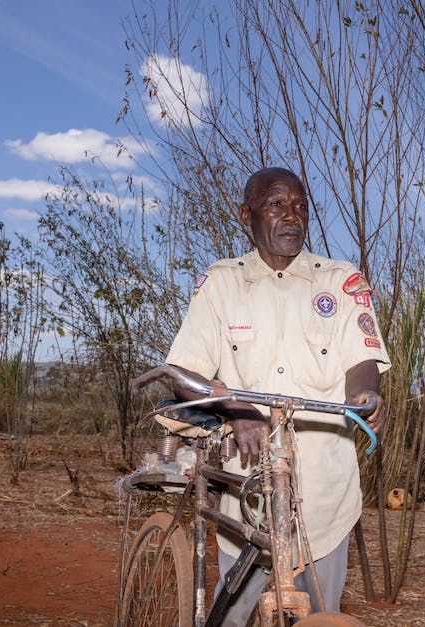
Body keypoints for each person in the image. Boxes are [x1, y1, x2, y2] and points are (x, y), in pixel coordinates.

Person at [165, 166, 390, 625]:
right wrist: (236, 408)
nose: (292, 216)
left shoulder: (342, 282)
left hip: (325, 491)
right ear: (245, 214)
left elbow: (361, 361)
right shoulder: (222, 284)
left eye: (300, 206)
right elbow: (182, 370)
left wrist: (365, 394)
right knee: (231, 613)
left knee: (317, 614)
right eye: (276, 205)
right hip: (247, 486)